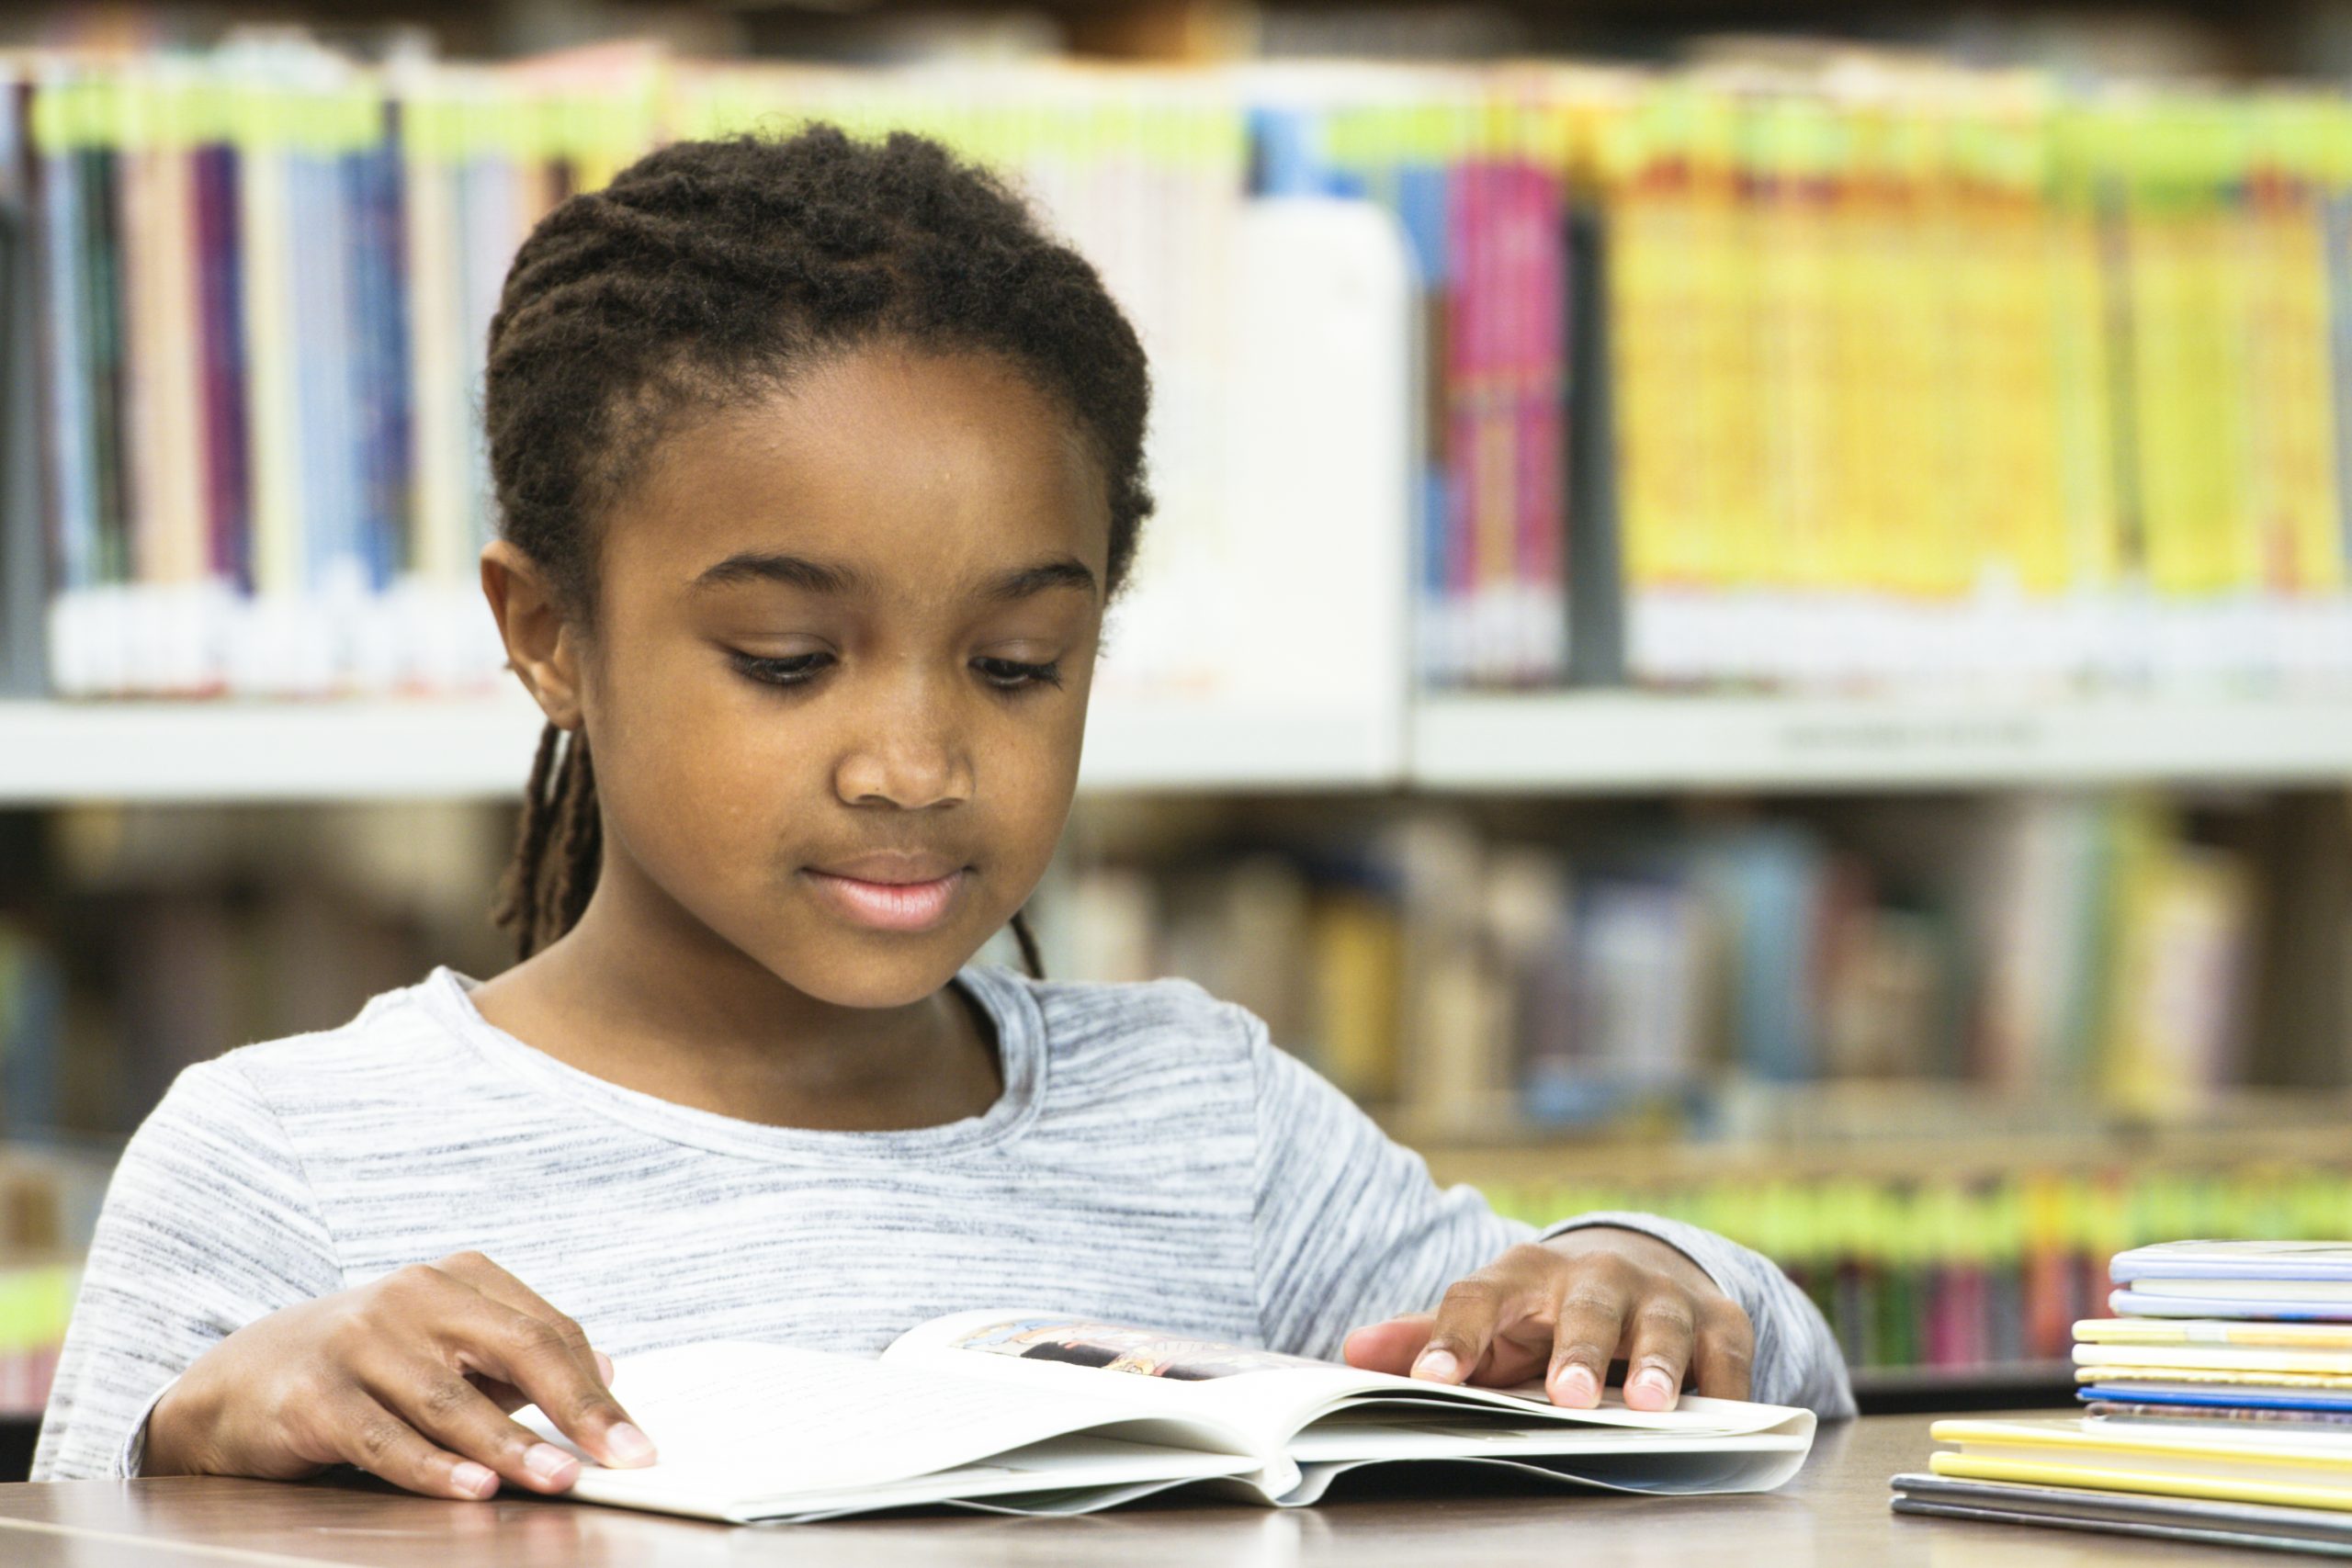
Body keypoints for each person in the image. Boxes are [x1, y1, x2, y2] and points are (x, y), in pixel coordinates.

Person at [32, 126, 1852, 1498]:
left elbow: (1789, 1384)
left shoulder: (1205, 1123)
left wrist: (1643, 1276)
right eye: (784, 656)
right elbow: (87, 1514)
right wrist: (208, 1434)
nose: (914, 764)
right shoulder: (283, 1157)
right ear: (549, 634)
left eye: (1013, 666)